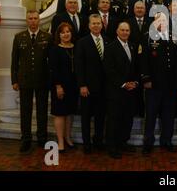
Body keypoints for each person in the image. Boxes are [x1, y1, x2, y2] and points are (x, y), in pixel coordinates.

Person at [11, 10, 52, 153]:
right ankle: (26, 139)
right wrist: (14, 80)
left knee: (42, 111)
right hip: (25, 80)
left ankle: (42, 138)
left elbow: (51, 61)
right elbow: (14, 61)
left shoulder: (47, 37)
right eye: (30, 18)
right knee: (25, 111)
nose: (33, 21)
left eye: (35, 18)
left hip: (42, 79)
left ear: (39, 20)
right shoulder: (19, 37)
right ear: (27, 20)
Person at [140, 13, 177, 154]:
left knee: (168, 115)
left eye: (164, 20)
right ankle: (148, 142)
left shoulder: (174, 37)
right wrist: (146, 79)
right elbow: (143, 60)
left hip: (170, 85)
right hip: (154, 84)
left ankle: (166, 140)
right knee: (150, 115)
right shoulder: (148, 37)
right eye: (158, 20)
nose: (162, 22)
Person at [104, 22, 139, 159]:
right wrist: (124, 84)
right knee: (114, 120)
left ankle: (123, 142)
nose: (125, 32)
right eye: (122, 30)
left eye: (127, 30)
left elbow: (136, 66)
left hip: (130, 91)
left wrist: (135, 82)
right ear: (117, 31)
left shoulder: (132, 45)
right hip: (116, 91)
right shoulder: (111, 47)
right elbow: (109, 70)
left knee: (127, 118)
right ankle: (112, 146)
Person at [75, 14, 109, 154]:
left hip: (103, 87)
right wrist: (82, 85)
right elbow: (79, 66)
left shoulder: (107, 41)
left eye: (98, 23)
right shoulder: (82, 42)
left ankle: (98, 140)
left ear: (102, 25)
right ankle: (87, 143)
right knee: (86, 117)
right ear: (89, 25)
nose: (96, 25)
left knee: (100, 116)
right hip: (87, 87)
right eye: (93, 23)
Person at [49, 23, 79, 152]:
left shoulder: (76, 48)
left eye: (68, 32)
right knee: (60, 114)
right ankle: (60, 141)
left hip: (73, 86)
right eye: (63, 32)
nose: (66, 34)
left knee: (70, 114)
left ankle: (67, 137)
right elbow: (53, 70)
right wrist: (58, 86)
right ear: (59, 35)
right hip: (60, 86)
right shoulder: (55, 49)